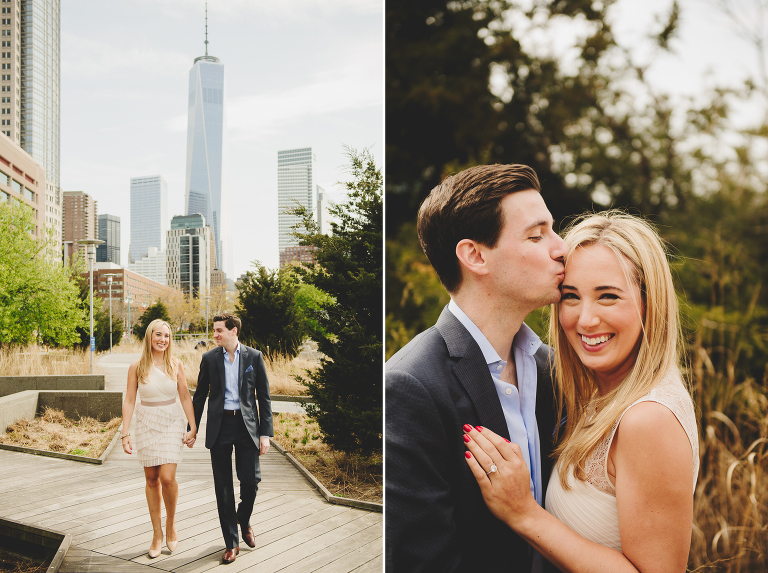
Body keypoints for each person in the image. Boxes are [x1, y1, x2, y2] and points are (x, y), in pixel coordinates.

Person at [463, 212, 699, 572]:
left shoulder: (648, 419)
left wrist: (523, 513)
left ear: (650, 303)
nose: (585, 319)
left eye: (608, 297)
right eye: (571, 296)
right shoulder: (599, 393)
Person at [385, 164, 567, 571]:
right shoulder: (409, 387)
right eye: (537, 235)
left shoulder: (553, 370)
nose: (561, 248)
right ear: (475, 255)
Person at [192, 312, 273, 565]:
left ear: (233, 331)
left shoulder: (254, 357)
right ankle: (231, 542)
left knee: (251, 481)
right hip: (220, 425)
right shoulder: (209, 358)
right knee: (223, 486)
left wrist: (265, 433)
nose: (215, 335)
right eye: (214, 330)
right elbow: (200, 396)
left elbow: (264, 397)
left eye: (219, 331)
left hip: (247, 426)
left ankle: (244, 518)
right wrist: (192, 428)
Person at [121, 319, 197, 558]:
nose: (163, 339)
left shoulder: (176, 364)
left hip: (172, 422)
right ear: (149, 337)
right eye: (158, 335)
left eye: (166, 335)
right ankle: (156, 534)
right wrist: (125, 432)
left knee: (167, 477)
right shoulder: (137, 366)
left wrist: (193, 426)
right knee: (151, 479)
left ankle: (171, 525)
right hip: (145, 422)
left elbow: (185, 397)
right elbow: (130, 400)